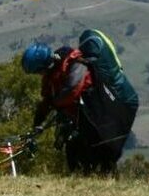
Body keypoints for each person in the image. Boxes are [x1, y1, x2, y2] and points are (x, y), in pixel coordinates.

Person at [20, 40, 126, 175]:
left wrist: (55, 103)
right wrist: (37, 124)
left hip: (94, 116)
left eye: (39, 70)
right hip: (75, 121)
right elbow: (46, 101)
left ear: (45, 64)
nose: (40, 74)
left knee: (98, 154)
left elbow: (73, 89)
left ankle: (107, 178)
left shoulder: (75, 62)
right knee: (74, 155)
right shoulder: (51, 75)